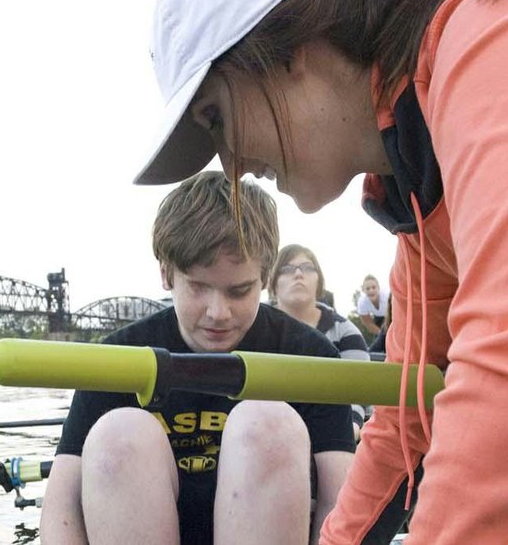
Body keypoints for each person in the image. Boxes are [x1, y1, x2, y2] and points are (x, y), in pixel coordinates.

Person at [132, 0, 508, 545]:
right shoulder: (423, 196)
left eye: (215, 118)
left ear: (290, 49)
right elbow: (406, 425)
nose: (227, 165)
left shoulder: (502, 37)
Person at [40, 171, 355, 545]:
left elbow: (343, 501)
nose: (218, 312)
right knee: (119, 432)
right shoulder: (118, 357)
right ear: (165, 273)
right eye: (198, 287)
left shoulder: (312, 356)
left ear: (265, 276)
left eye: (239, 290)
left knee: (267, 423)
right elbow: (60, 506)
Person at [269, 244, 370, 440]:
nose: (298, 274)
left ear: (319, 281)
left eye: (307, 267)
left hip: (330, 434)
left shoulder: (346, 332)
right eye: (287, 269)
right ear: (272, 282)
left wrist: (349, 430)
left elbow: (357, 393)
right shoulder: (252, 325)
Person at [356, 274, 389, 346]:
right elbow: (368, 323)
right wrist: (381, 334)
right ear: (363, 290)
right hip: (377, 318)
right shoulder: (362, 302)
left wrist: (388, 333)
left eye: (374, 287)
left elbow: (392, 314)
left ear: (378, 288)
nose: (371, 291)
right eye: (368, 289)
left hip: (391, 315)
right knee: (380, 341)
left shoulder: (387, 295)